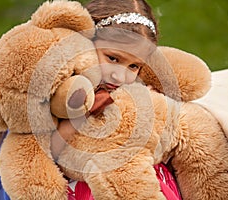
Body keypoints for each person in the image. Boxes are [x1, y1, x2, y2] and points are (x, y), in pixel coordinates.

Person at [50, 0, 182, 199]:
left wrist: (151, 108)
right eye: (112, 58)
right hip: (84, 183)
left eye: (134, 66)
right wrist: (82, 114)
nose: (119, 77)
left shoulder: (134, 89)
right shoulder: (65, 88)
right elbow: (48, 152)